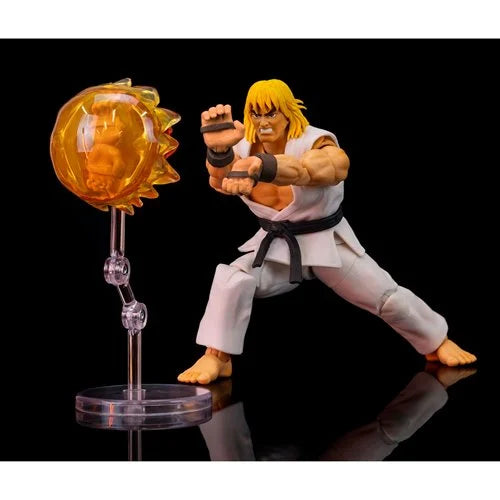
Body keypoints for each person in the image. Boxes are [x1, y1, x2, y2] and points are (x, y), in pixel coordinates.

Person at [178, 79, 476, 385]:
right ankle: (217, 357)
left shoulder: (315, 141)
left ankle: (437, 342)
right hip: (278, 247)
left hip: (327, 244)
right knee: (231, 278)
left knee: (387, 297)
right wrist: (219, 152)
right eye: (256, 114)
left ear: (288, 112)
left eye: (271, 113)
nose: (263, 122)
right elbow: (220, 180)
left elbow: (325, 169)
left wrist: (264, 166)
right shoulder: (243, 147)